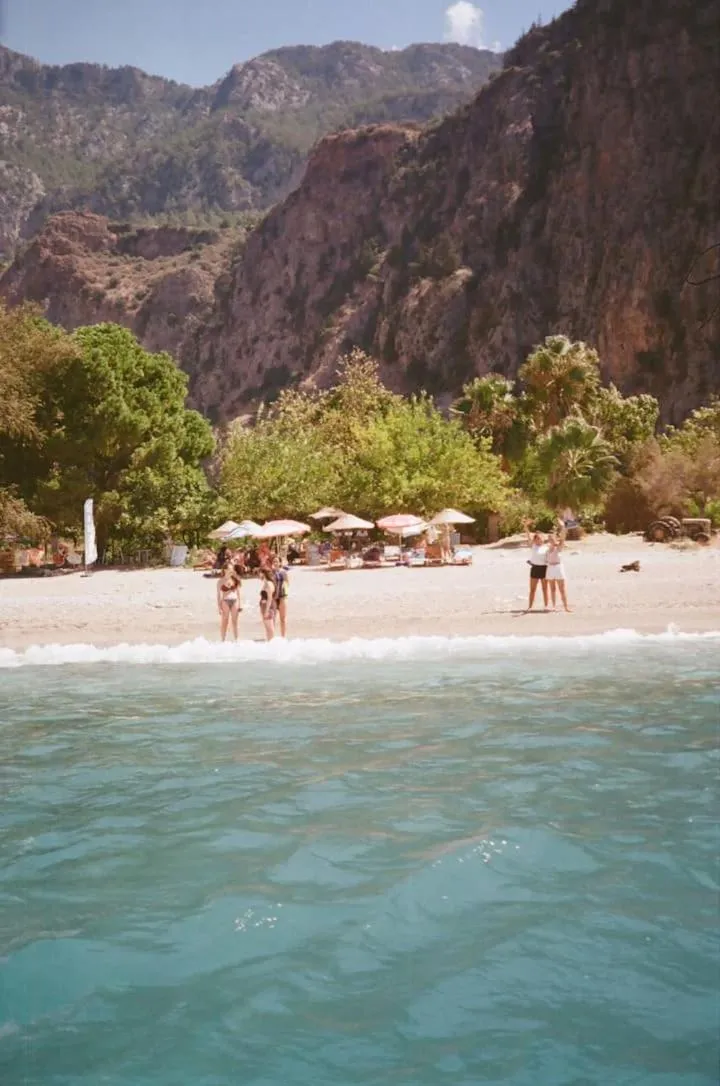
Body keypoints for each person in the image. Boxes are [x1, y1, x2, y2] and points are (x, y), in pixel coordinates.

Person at [523, 519, 549, 611]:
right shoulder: (533, 546)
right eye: (537, 538)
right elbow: (528, 535)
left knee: (545, 589)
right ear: (534, 540)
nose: (539, 540)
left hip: (544, 569)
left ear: (543, 539)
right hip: (535, 568)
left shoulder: (546, 547)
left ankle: (546, 606)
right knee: (532, 589)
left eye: (540, 538)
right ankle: (530, 607)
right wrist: (526, 526)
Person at [546, 521, 572, 612]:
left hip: (558, 568)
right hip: (550, 568)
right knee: (552, 589)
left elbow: (563, 537)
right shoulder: (547, 549)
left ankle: (566, 607)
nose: (551, 540)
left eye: (552, 538)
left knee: (562, 589)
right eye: (549, 539)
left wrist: (563, 527)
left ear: (555, 539)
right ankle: (554, 606)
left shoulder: (558, 547)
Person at [216, 564, 241, 641]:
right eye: (230, 569)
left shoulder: (235, 579)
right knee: (225, 621)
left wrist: (240, 604)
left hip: (234, 600)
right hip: (225, 601)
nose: (231, 570)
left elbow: (238, 593)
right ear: (225, 570)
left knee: (235, 621)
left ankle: (236, 639)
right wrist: (219, 607)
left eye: (232, 569)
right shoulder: (220, 581)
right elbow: (218, 595)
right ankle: (223, 640)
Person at [271, 556, 290, 638]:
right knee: (272, 618)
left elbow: (287, 583)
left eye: (276, 561)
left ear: (280, 563)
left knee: (283, 619)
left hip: (282, 596)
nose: (275, 563)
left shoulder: (283, 572)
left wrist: (283, 589)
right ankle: (272, 636)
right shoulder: (271, 573)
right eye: (274, 561)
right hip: (273, 597)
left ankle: (283, 637)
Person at [259, 567, 276, 641]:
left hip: (267, 606)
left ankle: (271, 643)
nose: (259, 575)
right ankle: (269, 642)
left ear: (263, 574)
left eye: (260, 573)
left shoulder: (268, 584)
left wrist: (266, 610)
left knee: (270, 628)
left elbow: (269, 598)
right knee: (267, 628)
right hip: (265, 606)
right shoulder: (266, 583)